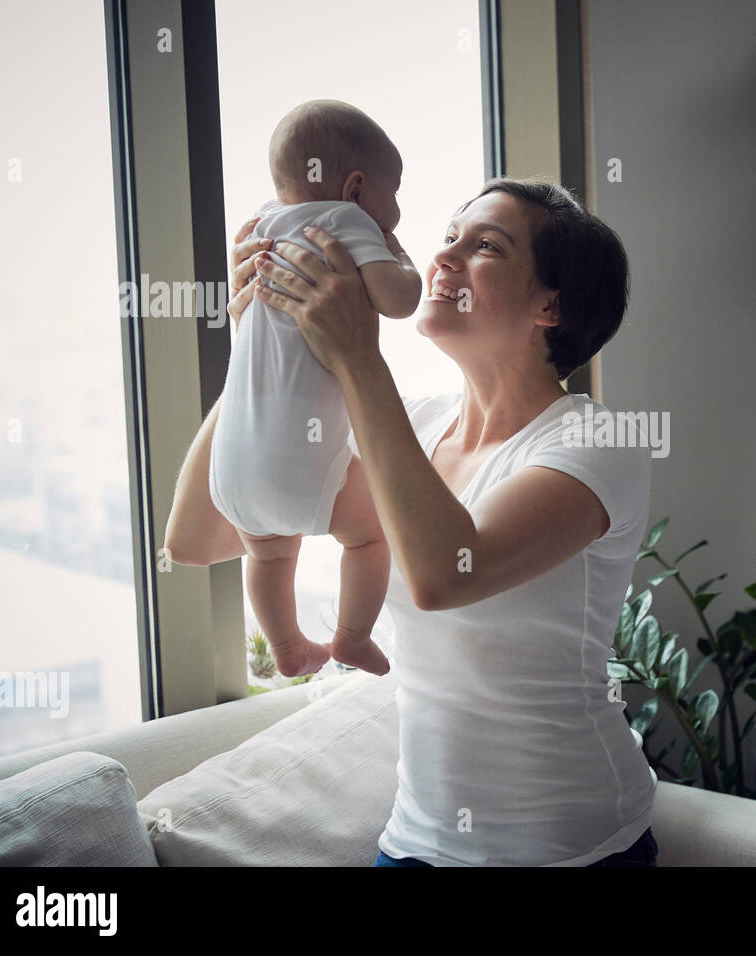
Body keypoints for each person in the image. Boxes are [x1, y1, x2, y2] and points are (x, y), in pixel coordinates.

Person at [164, 177, 659, 866]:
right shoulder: (415, 426)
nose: (444, 258)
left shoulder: (598, 443)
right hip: (415, 840)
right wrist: (256, 344)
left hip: (569, 846)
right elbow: (199, 536)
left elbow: (446, 574)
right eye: (448, 237)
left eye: (484, 245)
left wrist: (359, 358)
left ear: (551, 304)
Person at [208, 100, 424, 678]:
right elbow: (401, 300)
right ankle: (351, 637)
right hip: (298, 461)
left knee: (269, 552)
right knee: (371, 535)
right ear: (355, 188)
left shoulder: (259, 229)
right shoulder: (348, 221)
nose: (396, 210)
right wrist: (397, 255)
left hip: (230, 466)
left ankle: (286, 648)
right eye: (394, 191)